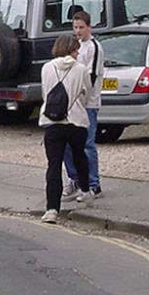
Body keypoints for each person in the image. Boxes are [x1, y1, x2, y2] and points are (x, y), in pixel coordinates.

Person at [40, 34, 92, 223]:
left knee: (54, 165)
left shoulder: (46, 67)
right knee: (79, 156)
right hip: (76, 120)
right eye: (76, 49)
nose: (78, 53)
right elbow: (87, 93)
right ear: (72, 50)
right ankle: (85, 190)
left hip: (52, 120)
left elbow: (45, 93)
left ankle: (52, 209)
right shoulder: (81, 69)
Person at [62, 10, 104, 199]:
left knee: (87, 143)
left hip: (88, 103)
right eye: (75, 27)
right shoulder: (74, 46)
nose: (78, 31)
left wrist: (83, 97)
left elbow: (90, 76)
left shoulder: (94, 47)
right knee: (68, 143)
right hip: (73, 103)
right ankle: (75, 178)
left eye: (81, 27)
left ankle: (93, 183)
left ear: (89, 27)